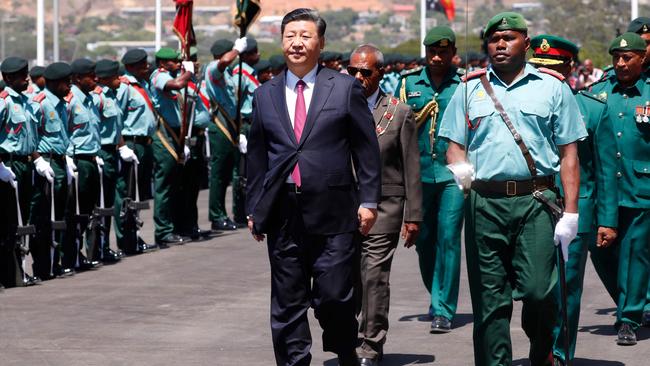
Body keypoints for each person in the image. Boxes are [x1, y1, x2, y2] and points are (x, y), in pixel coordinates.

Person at [439, 12, 587, 366]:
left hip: (535, 201)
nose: (500, 44)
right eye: (494, 39)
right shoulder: (468, 89)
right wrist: (462, 174)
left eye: (508, 38)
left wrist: (570, 212)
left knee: (539, 291)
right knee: (490, 302)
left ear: (527, 43)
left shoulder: (552, 87)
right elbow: (454, 144)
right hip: (485, 203)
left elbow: (569, 154)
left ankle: (541, 353)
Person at [246, 8, 381, 366]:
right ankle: (294, 361)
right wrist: (253, 208)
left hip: (334, 211)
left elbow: (366, 150)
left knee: (335, 296)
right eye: (290, 36)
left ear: (320, 42)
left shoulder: (345, 88)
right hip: (283, 213)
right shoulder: (265, 95)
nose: (297, 43)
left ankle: (343, 347)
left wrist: (369, 201)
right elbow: (257, 158)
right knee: (287, 302)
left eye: (305, 36)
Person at [528, 35, 618, 365]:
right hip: (531, 208)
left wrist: (607, 220)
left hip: (578, 210)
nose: (546, 75)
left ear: (569, 69)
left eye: (553, 69)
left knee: (567, 290)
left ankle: (559, 355)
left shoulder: (593, 110)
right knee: (534, 289)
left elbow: (607, 170)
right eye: (539, 68)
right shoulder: (522, 106)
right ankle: (540, 346)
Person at [348, 44, 422, 366]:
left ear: (380, 72)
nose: (358, 77)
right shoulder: (335, 107)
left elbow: (411, 167)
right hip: (342, 208)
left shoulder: (399, 112)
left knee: (374, 277)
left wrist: (413, 215)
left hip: (385, 207)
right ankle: (346, 338)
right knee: (344, 280)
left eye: (365, 71)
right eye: (352, 71)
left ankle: (370, 345)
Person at [396, 26, 465, 333]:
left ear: (453, 53)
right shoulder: (408, 83)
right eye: (432, 52)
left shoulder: (464, 85)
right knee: (424, 241)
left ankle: (443, 309)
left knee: (449, 238)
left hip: (452, 175)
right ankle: (436, 295)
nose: (437, 57)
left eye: (444, 52)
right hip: (418, 174)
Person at [589, 32, 650, 346]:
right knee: (600, 252)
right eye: (617, 58)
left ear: (642, 58)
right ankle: (630, 302)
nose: (621, 63)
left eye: (628, 58)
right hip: (603, 189)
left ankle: (629, 317)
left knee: (635, 254)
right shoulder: (597, 93)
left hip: (640, 187)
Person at [30, 62, 74, 278]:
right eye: (67, 82)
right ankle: (42, 266)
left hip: (59, 160)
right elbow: (30, 136)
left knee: (59, 216)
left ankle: (54, 263)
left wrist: (67, 159)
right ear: (56, 83)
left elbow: (63, 135)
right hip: (46, 162)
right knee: (44, 216)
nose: (70, 86)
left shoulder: (61, 104)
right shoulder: (40, 104)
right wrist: (38, 160)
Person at [92, 59, 138, 263]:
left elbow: (115, 127)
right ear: (103, 79)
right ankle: (98, 248)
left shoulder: (112, 95)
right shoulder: (97, 98)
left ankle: (106, 246)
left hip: (112, 150)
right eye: (114, 77)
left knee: (110, 201)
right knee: (100, 203)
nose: (119, 79)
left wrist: (122, 146)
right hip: (101, 151)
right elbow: (90, 128)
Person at [0, 57, 40, 287]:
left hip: (25, 164)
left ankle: (18, 273)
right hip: (8, 165)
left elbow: (30, 138)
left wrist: (37, 160)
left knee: (22, 219)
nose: (26, 78)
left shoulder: (25, 102)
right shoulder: (4, 102)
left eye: (26, 74)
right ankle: (7, 274)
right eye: (20, 75)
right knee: (7, 223)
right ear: (8, 78)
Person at [114, 48, 157, 254]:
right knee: (126, 194)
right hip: (131, 143)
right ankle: (126, 240)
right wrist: (122, 146)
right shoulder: (124, 87)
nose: (146, 67)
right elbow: (116, 119)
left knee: (139, 195)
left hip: (144, 143)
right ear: (130, 67)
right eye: (141, 65)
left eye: (146, 63)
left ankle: (135, 236)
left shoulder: (143, 85)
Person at [149, 47, 193, 247]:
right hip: (164, 135)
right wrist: (189, 72)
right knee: (164, 186)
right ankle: (163, 231)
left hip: (176, 135)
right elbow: (177, 84)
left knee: (175, 185)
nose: (178, 64)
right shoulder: (159, 76)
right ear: (162, 64)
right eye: (174, 62)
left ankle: (173, 227)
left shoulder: (172, 73)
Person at [204, 37, 248, 231]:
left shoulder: (228, 74)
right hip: (220, 125)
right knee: (219, 174)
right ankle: (216, 215)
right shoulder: (214, 67)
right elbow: (223, 62)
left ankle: (222, 213)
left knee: (226, 174)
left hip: (230, 126)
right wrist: (237, 50)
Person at [66, 58, 103, 270]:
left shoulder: (90, 99)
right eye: (91, 75)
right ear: (79, 78)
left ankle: (86, 253)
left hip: (91, 159)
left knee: (89, 210)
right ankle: (72, 256)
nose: (96, 78)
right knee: (75, 213)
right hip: (77, 160)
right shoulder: (70, 100)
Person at [176, 46, 213, 240]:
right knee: (185, 186)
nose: (196, 64)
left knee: (194, 186)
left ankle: (192, 224)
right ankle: (183, 225)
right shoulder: (182, 85)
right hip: (186, 138)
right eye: (192, 60)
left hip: (198, 137)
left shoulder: (197, 83)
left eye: (197, 60)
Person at [231, 38, 260, 226]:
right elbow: (235, 103)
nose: (258, 55)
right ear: (247, 55)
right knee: (240, 172)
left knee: (251, 170)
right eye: (254, 51)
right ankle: (239, 212)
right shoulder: (239, 74)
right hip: (243, 123)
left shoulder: (251, 73)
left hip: (253, 123)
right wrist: (238, 131)